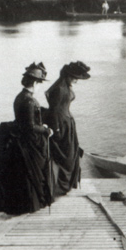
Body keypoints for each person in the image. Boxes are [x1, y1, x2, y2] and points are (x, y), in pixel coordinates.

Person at [0, 62, 54, 215]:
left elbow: (24, 121)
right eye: (39, 83)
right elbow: (30, 127)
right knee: (32, 174)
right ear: (34, 82)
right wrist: (46, 130)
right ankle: (29, 205)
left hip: (20, 139)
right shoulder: (29, 100)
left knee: (23, 176)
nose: (39, 86)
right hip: (28, 143)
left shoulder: (20, 97)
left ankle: (23, 204)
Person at [43, 61, 91, 195]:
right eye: (75, 77)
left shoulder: (65, 86)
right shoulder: (59, 89)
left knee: (71, 154)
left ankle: (66, 185)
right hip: (61, 125)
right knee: (66, 156)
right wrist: (56, 129)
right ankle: (62, 186)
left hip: (67, 123)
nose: (76, 80)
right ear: (68, 76)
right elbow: (54, 111)